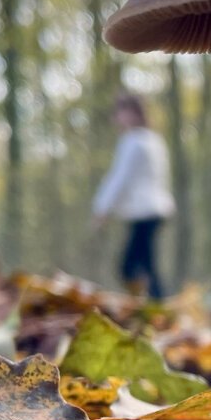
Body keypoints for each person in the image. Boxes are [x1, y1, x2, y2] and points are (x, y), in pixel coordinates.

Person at [92, 92, 175, 299]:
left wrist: (102, 209)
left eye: (121, 111)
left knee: (130, 266)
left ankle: (154, 305)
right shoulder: (154, 139)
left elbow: (119, 179)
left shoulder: (133, 141)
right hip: (156, 210)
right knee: (145, 263)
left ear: (134, 113)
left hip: (145, 212)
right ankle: (152, 303)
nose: (118, 117)